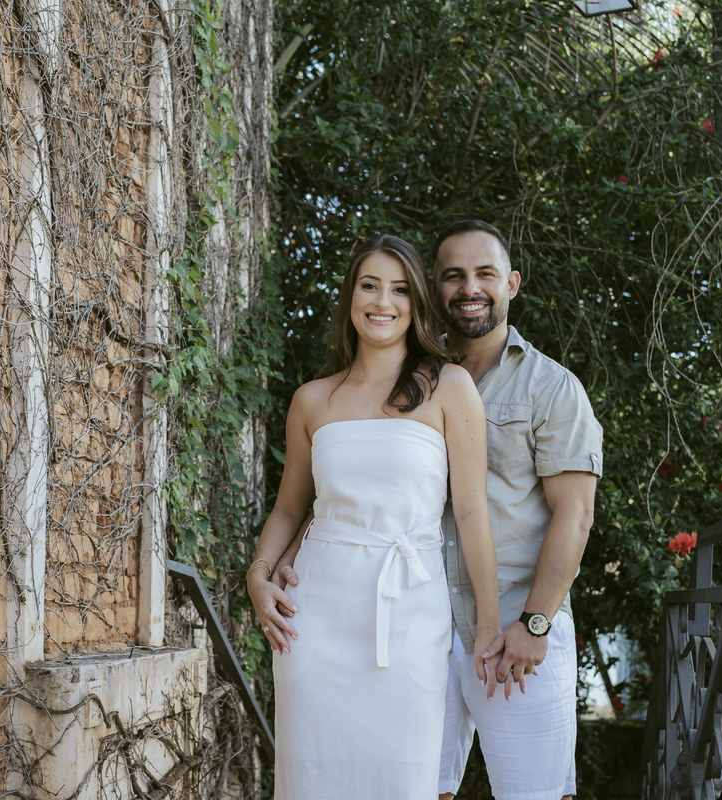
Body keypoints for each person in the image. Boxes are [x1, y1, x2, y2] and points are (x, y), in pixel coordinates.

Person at [276, 220, 602, 799]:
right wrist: (284, 557)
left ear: (511, 284)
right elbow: (354, 490)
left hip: (510, 626)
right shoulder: (410, 375)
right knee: (422, 789)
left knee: (534, 793)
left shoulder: (550, 387)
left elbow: (574, 516)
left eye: (485, 274)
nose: (469, 288)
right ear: (434, 287)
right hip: (422, 622)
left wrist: (535, 623)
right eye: (454, 276)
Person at [247, 234, 502, 800]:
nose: (383, 301)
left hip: (411, 612)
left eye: (400, 289)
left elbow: (470, 512)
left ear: (417, 303)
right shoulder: (312, 399)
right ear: (351, 297)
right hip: (316, 617)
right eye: (370, 286)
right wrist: (257, 575)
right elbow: (290, 506)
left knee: (403, 778)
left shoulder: (448, 386)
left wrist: (488, 623)